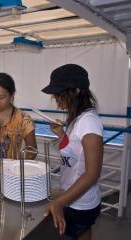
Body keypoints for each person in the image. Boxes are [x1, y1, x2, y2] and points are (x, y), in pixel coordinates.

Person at [42, 64, 103, 240]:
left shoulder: (88, 122)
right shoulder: (77, 117)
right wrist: (61, 134)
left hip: (80, 203)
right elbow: (77, 153)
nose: (55, 98)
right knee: (81, 233)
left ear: (76, 91)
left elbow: (93, 173)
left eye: (59, 93)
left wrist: (59, 202)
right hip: (73, 196)